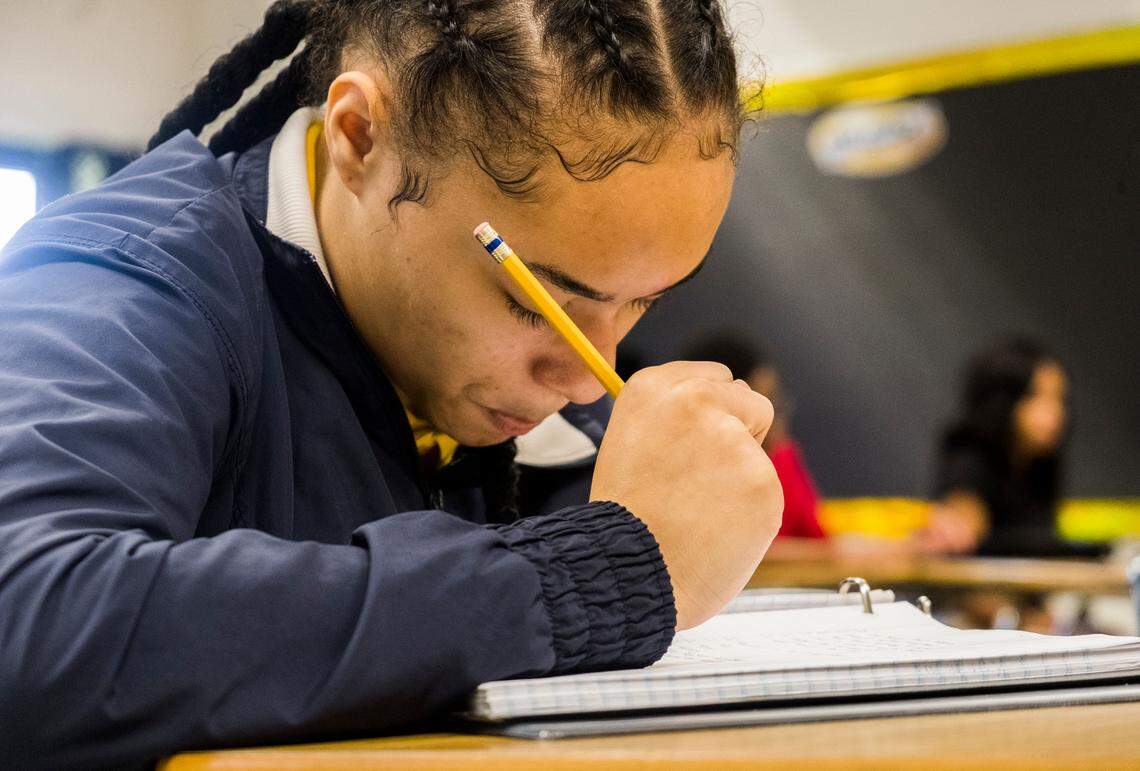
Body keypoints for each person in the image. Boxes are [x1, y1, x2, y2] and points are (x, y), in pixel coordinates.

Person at [0, 1, 784, 766]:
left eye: (643, 300)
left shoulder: (534, 412)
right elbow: (29, 630)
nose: (586, 382)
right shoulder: (126, 278)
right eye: (531, 302)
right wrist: (575, 578)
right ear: (359, 136)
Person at [918, 336, 1086, 557]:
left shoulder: (1040, 465)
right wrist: (955, 527)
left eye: (1059, 399)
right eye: (1036, 397)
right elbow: (962, 518)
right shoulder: (971, 457)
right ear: (1004, 400)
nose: (1056, 414)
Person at [682, 335, 827, 545]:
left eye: (776, 400)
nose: (776, 416)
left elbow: (818, 538)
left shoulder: (784, 457)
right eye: (766, 400)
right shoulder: (694, 470)